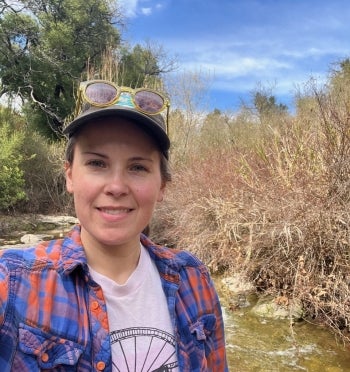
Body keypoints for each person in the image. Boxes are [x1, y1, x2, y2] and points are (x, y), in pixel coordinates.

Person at [0, 80, 228, 371]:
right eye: (97, 163)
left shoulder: (193, 279)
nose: (117, 186)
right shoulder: (13, 281)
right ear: (70, 175)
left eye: (137, 167)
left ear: (162, 186)